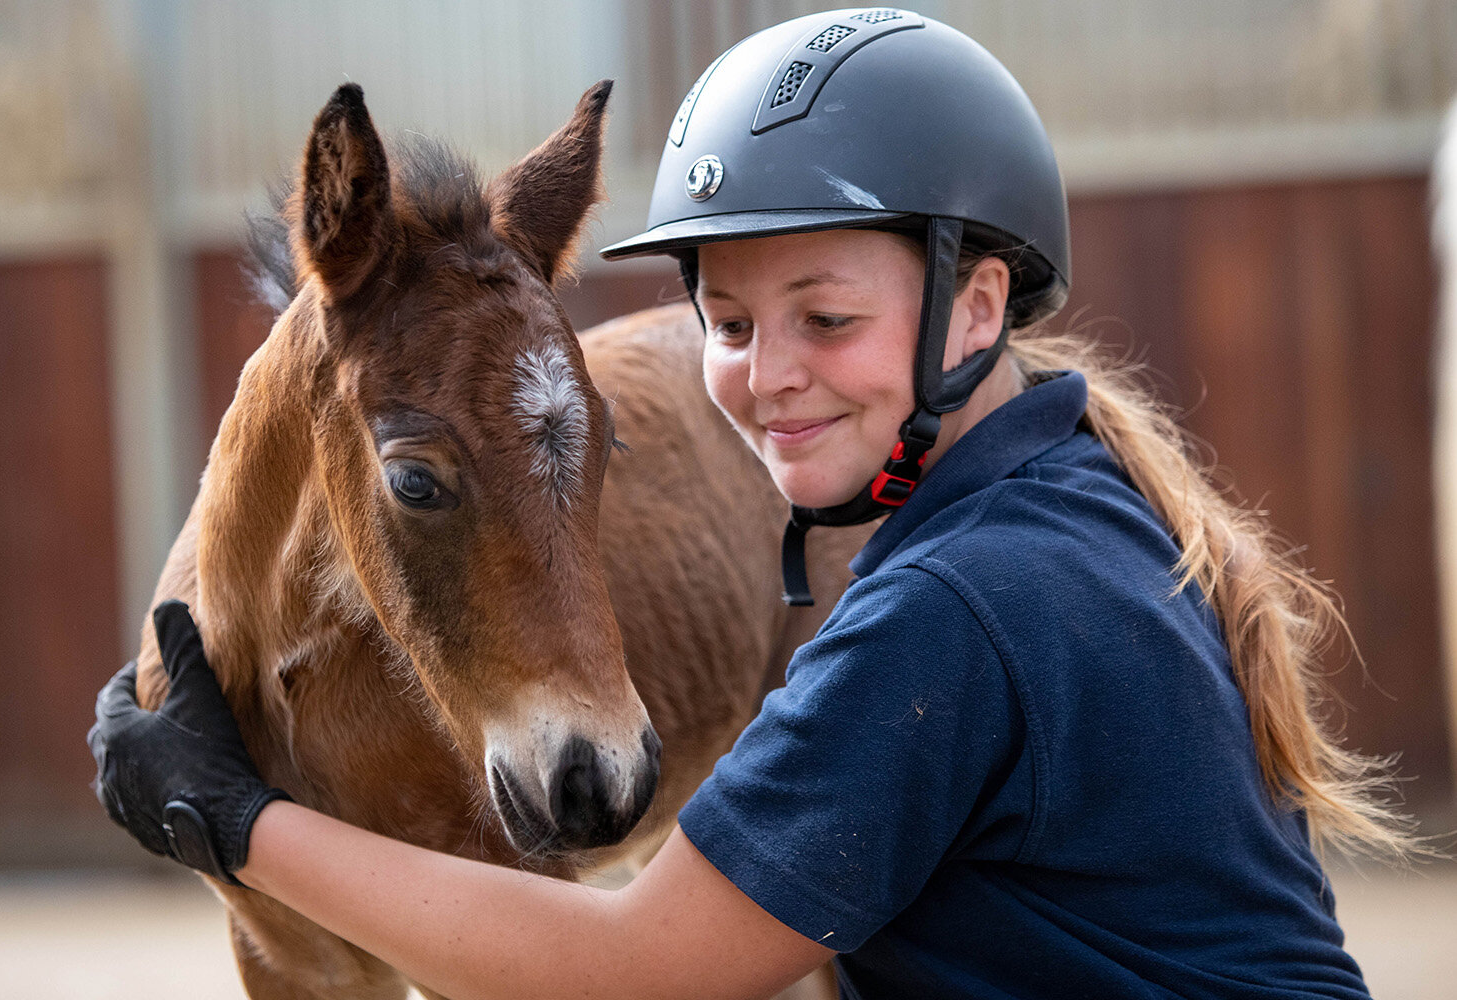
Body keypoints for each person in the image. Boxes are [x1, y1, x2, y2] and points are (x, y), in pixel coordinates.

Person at [90, 10, 1415, 999]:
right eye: (723, 322)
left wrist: (236, 819)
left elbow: (636, 964)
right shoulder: (1071, 504)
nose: (767, 379)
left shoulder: (955, 612)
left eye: (825, 318)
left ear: (975, 305)